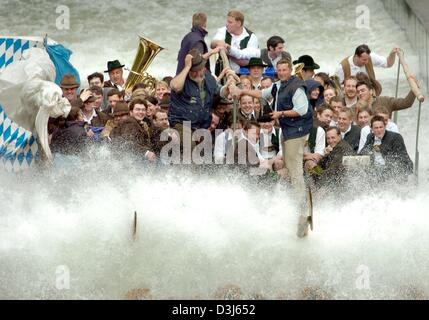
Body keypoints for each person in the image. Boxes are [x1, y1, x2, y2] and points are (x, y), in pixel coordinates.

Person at [232, 58, 313, 237]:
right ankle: (295, 202)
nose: (282, 72)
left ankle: (302, 210)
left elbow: (302, 109)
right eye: (280, 70)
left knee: (294, 170)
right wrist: (241, 91)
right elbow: (261, 94)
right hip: (288, 130)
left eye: (285, 70)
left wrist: (280, 113)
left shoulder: (296, 86)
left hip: (297, 132)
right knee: (289, 169)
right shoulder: (278, 86)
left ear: (290, 70)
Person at [169, 48, 232, 134]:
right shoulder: (182, 78)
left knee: (205, 145)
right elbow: (175, 86)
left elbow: (219, 90)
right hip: (182, 124)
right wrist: (187, 67)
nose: (197, 74)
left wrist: (227, 89)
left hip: (202, 125)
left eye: (199, 70)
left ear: (204, 68)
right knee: (190, 145)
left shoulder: (209, 78)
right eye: (193, 71)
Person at [359, 115, 413, 182]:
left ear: (385, 126)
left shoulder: (396, 137)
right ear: (371, 129)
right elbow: (363, 152)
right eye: (376, 128)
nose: (379, 130)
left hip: (396, 170)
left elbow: (400, 158)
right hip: (377, 170)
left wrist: (379, 148)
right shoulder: (370, 137)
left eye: (381, 127)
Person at [335, 44, 400, 94]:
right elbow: (336, 87)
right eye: (364, 60)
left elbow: (388, 63)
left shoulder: (370, 57)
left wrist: (392, 53)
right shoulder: (342, 67)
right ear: (356, 56)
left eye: (368, 59)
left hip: (370, 95)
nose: (367, 62)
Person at [211, 10, 259, 74]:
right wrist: (219, 43)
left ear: (239, 23)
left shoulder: (252, 38)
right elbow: (212, 44)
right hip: (222, 74)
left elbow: (248, 62)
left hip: (244, 78)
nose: (227, 24)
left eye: (230, 22)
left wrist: (228, 52)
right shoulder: (223, 31)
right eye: (227, 21)